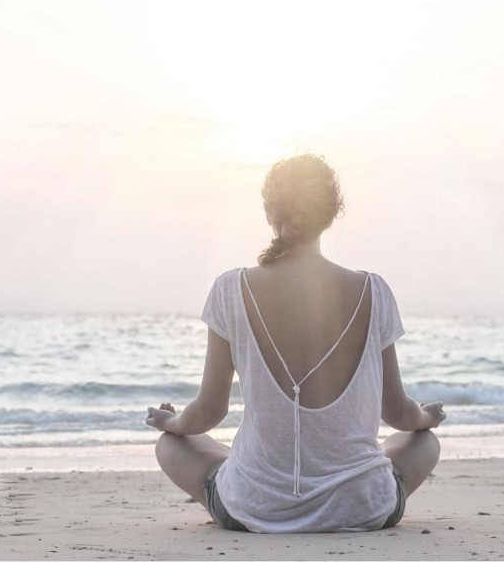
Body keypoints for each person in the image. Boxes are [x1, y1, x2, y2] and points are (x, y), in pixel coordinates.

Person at [146, 154, 445, 533]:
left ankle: (258, 479)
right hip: (362, 507)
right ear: (333, 212)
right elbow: (398, 414)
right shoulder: (373, 291)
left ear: (271, 211)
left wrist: (172, 422)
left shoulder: (229, 289)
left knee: (171, 445)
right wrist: (427, 418)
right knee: (423, 442)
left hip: (255, 509)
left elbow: (208, 412)